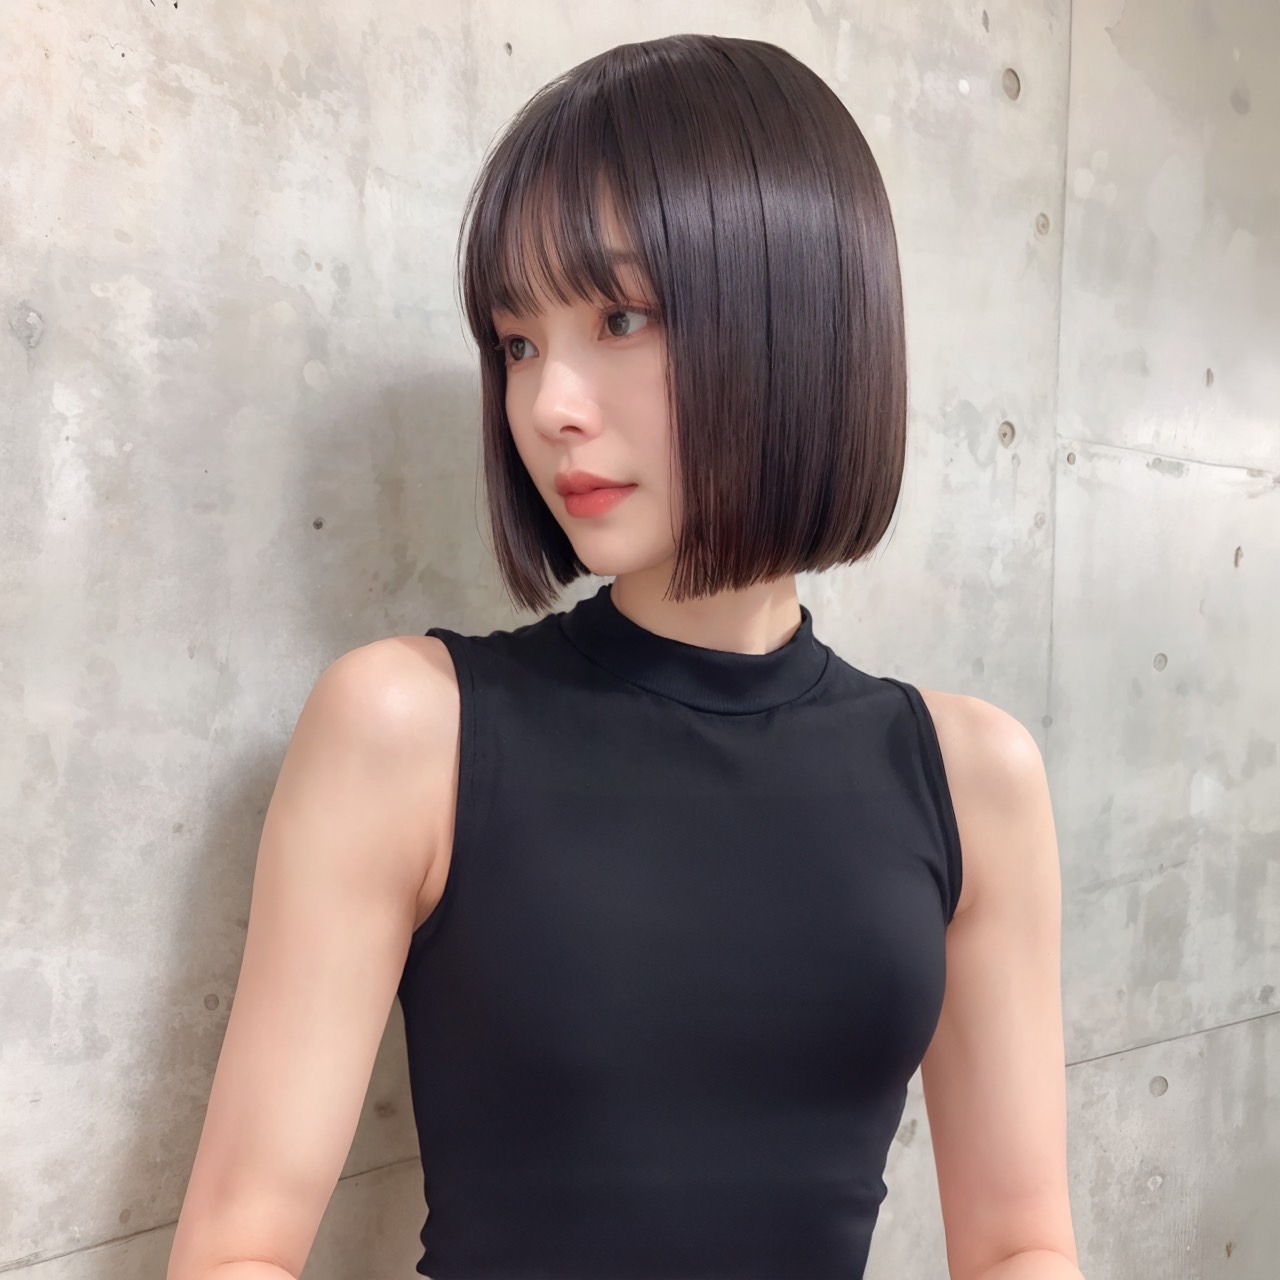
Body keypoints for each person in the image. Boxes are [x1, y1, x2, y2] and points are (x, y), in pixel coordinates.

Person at [167, 33, 1082, 1280]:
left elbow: (1020, 1243)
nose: (548, 404)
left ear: (801, 322)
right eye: (517, 340)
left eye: (620, 316)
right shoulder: (408, 729)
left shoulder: (970, 777)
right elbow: (238, 1250)